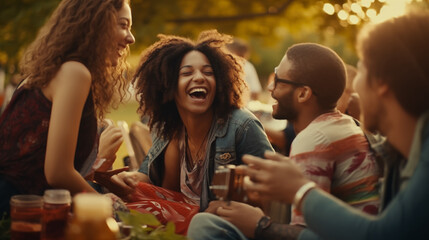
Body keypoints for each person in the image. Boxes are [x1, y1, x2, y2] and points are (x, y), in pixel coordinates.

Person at [238, 11, 429, 240]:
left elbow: (383, 236)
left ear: (382, 84)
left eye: (362, 69)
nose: (353, 88)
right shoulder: (400, 156)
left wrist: (295, 194)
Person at [187, 43, 381, 240]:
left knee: (205, 224)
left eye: (279, 80)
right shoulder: (343, 125)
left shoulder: (313, 139)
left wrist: (258, 223)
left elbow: (301, 233)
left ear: (303, 93)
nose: (270, 87)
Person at [109, 30, 274, 211]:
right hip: (178, 223)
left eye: (208, 72)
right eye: (186, 73)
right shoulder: (167, 127)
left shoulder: (242, 126)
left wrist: (230, 203)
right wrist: (128, 179)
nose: (199, 77)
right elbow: (151, 180)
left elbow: (271, 192)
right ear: (168, 84)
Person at [0, 0, 135, 215]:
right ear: (96, 22)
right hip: (15, 213)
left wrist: (99, 178)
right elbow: (58, 172)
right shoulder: (75, 73)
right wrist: (105, 206)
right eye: (123, 25)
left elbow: (39, 163)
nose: (131, 37)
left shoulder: (50, 72)